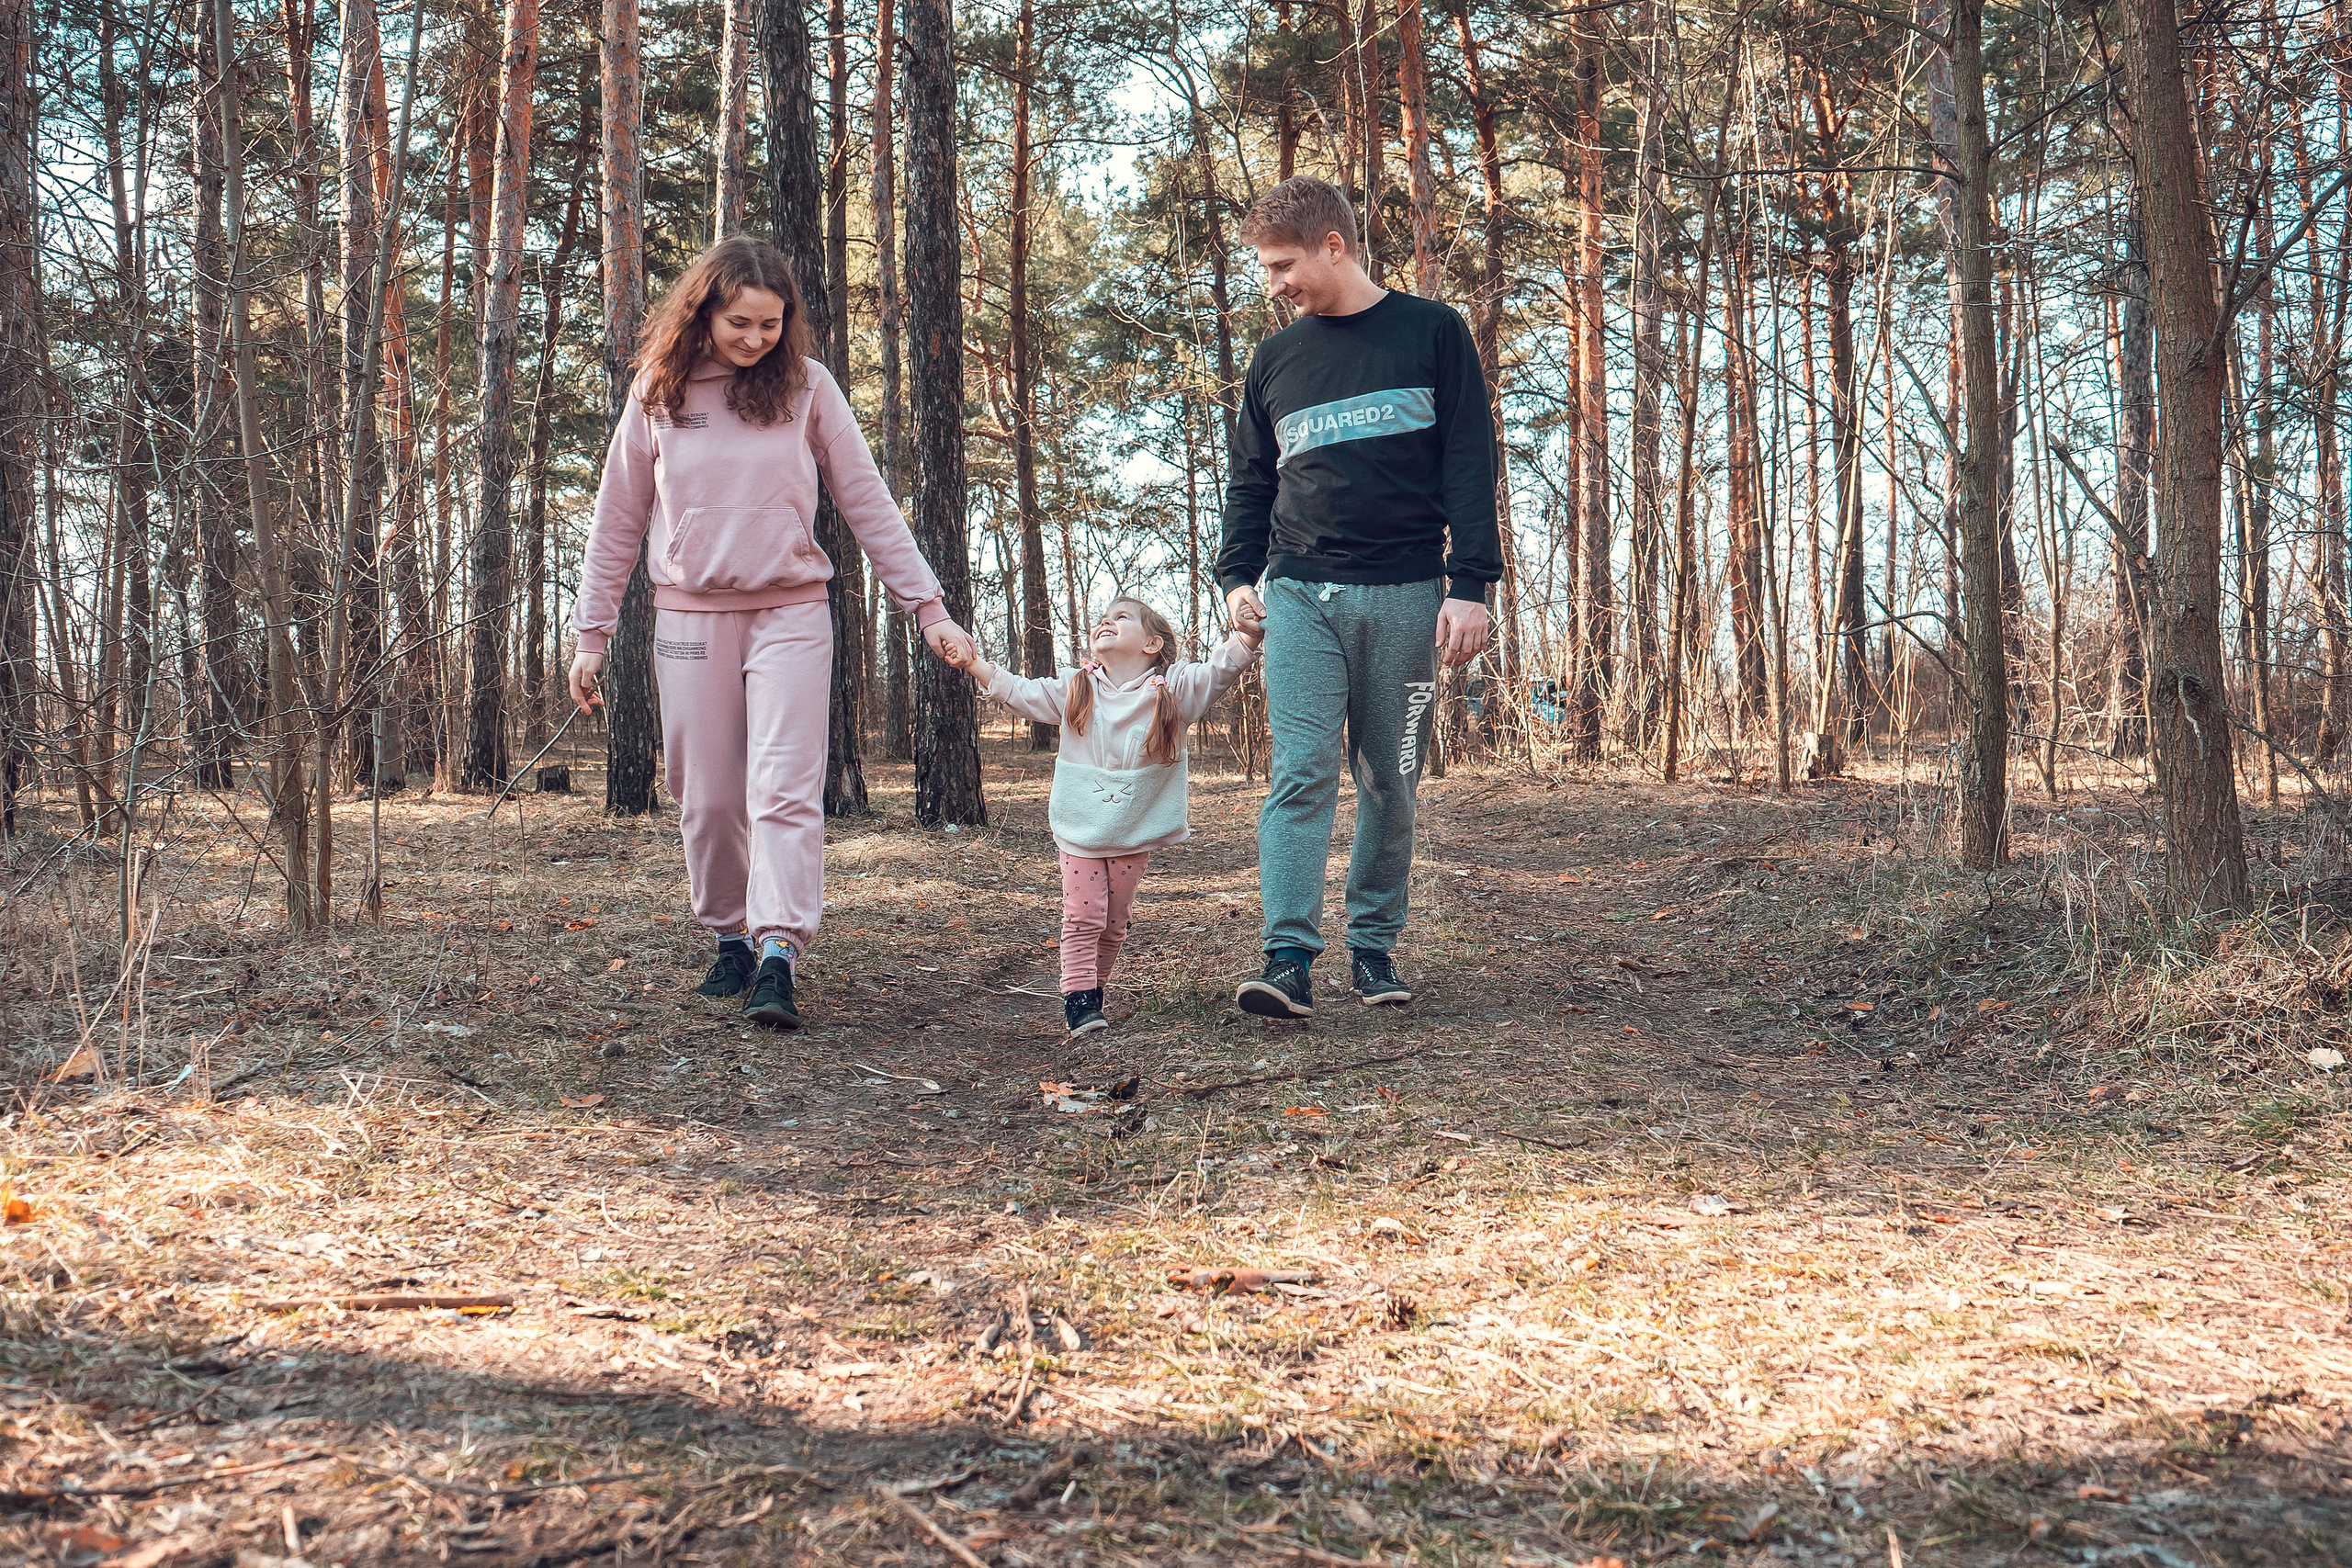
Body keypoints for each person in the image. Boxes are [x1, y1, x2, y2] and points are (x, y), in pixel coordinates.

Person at [568, 234, 977, 1030]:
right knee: (709, 796)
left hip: (791, 614)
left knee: (784, 788)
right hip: (690, 618)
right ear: (703, 313)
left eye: (771, 323)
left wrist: (928, 608)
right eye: (740, 323)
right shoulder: (658, 390)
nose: (756, 338)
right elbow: (617, 517)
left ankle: (779, 950)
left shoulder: (808, 387)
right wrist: (593, 634)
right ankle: (730, 937)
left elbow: (867, 500)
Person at [1215, 175, 1500, 1019]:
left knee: (1389, 780)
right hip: (1300, 592)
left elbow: (1469, 463)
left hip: (1407, 593)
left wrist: (1471, 584)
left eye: (1283, 265)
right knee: (1300, 771)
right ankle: (1287, 958)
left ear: (1333, 246)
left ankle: (1373, 948)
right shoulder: (1275, 361)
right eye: (1267, 269)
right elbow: (1251, 481)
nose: (1274, 285)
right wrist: (1237, 577)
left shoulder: (1433, 332)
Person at [944, 598, 1262, 1037]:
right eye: (1102, 618)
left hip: (1134, 828)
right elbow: (1019, 691)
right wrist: (973, 663)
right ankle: (1078, 999)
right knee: (1083, 915)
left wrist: (1248, 634)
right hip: (1081, 826)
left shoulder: (1174, 689)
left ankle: (1095, 990)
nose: (1106, 622)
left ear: (1152, 644)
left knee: (1114, 922)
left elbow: (1219, 670)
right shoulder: (1078, 687)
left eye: (1121, 617)